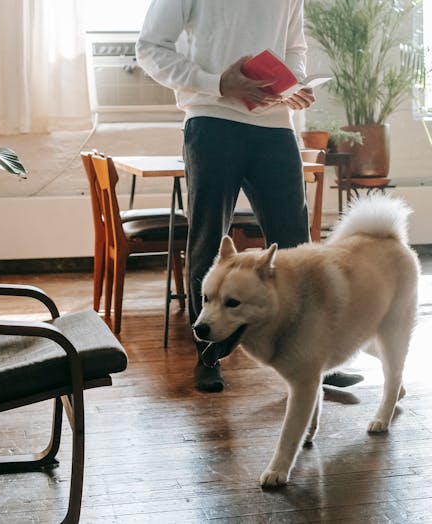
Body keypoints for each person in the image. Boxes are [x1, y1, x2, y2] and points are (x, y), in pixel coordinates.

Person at [137, 0, 363, 392]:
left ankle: (315, 357)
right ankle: (208, 355)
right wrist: (218, 83)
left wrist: (293, 85)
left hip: (276, 127)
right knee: (208, 242)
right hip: (211, 120)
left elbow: (295, 48)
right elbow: (150, 48)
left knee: (297, 246)